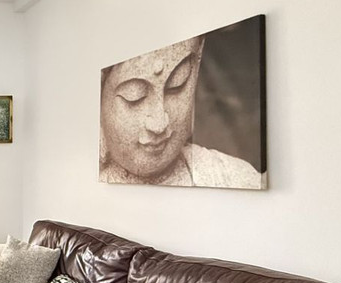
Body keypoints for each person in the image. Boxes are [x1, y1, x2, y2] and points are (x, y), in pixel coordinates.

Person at [99, 36, 263, 189]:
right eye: (134, 96)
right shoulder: (88, 191)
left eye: (176, 85)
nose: (159, 124)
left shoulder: (232, 177)